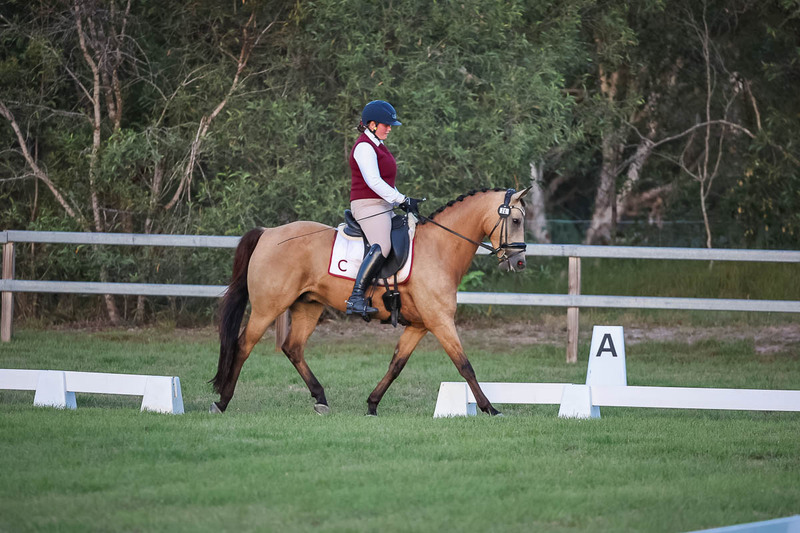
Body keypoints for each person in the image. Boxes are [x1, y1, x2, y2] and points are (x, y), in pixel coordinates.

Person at [345, 100, 421, 318]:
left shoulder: (378, 145)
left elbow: (386, 183)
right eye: (386, 125)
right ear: (372, 124)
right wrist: (401, 199)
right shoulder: (364, 147)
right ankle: (356, 298)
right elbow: (374, 182)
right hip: (367, 205)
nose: (389, 128)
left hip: (383, 205)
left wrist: (402, 200)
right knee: (383, 245)